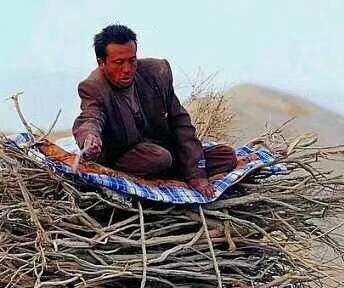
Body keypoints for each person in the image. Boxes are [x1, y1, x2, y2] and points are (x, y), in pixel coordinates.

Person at [72, 24, 237, 198]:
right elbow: (90, 118)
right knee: (160, 158)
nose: (128, 69)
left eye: (132, 60)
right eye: (119, 63)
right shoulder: (93, 87)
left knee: (226, 156)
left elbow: (181, 123)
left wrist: (197, 174)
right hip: (126, 157)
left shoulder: (157, 72)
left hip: (165, 150)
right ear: (102, 63)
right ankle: (153, 173)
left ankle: (175, 173)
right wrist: (90, 138)